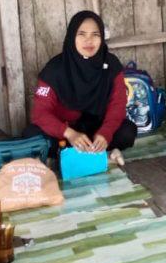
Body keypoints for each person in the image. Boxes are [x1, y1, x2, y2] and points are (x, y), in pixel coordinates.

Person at [25, 10, 137, 163]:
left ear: (102, 37)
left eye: (95, 35)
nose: (89, 40)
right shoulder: (54, 69)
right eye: (82, 34)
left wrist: (105, 133)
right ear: (72, 37)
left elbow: (117, 105)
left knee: (127, 131)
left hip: (96, 130)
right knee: (31, 134)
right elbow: (40, 113)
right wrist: (70, 134)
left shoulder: (111, 65)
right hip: (65, 132)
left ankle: (83, 152)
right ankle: (98, 155)